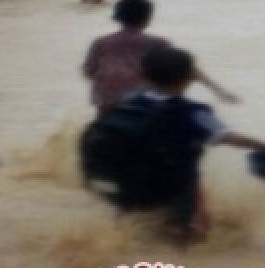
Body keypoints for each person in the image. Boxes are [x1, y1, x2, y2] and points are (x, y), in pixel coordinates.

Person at [82, 46, 265, 241]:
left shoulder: (129, 101)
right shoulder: (194, 112)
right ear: (189, 78)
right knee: (185, 235)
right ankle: (184, 237)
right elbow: (227, 137)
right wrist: (260, 145)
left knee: (131, 223)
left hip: (124, 185)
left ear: (144, 75)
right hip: (167, 190)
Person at [82, 0, 238, 113]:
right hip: (145, 102)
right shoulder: (157, 43)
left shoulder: (100, 42)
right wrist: (219, 90)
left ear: (118, 18)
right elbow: (185, 68)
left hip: (106, 101)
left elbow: (89, 71)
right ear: (148, 19)